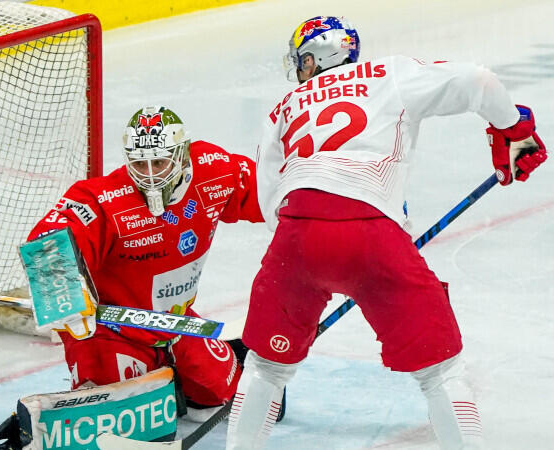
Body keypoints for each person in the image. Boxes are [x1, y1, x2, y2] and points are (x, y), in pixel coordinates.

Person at [226, 16, 547, 450]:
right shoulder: (388, 73)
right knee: (442, 372)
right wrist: (512, 129)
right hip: (373, 238)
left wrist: (316, 257)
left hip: (296, 242)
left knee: (265, 367)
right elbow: (479, 79)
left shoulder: (286, 105)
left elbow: (271, 203)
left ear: (314, 57)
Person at [27, 105, 264, 421]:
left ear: (182, 155)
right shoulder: (104, 199)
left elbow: (272, 191)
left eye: (160, 161)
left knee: (214, 400)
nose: (151, 174)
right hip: (112, 329)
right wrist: (62, 295)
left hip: (175, 323)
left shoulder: (213, 169)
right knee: (119, 416)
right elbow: (47, 242)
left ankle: (197, 366)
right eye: (140, 163)